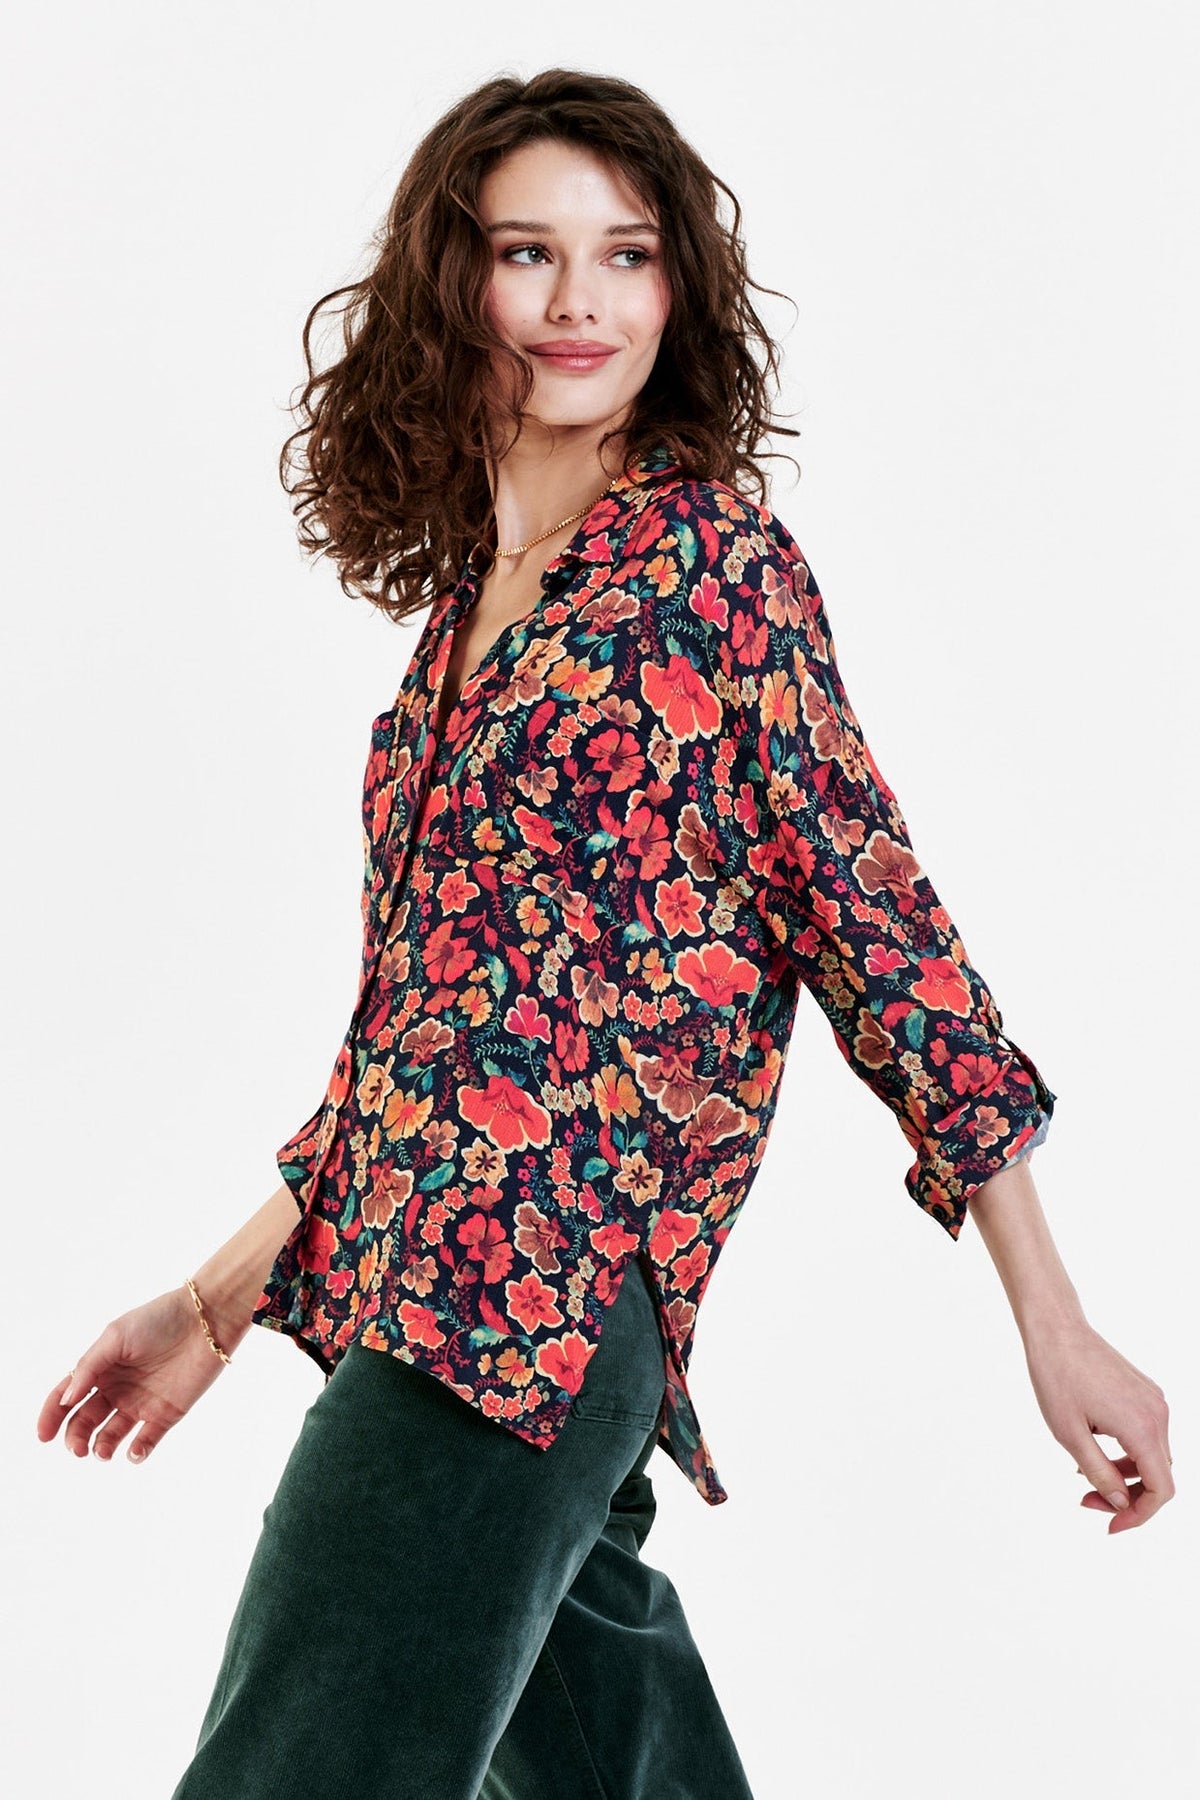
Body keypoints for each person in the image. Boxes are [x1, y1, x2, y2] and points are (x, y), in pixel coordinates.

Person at [36, 67, 1173, 1800]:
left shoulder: (709, 568)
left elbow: (883, 930)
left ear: (676, 291)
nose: (582, 300)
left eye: (627, 254)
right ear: (452, 289)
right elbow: (430, 1053)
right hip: (437, 1294)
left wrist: (1054, 1315)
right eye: (528, 253)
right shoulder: (465, 617)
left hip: (535, 1319)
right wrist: (211, 1303)